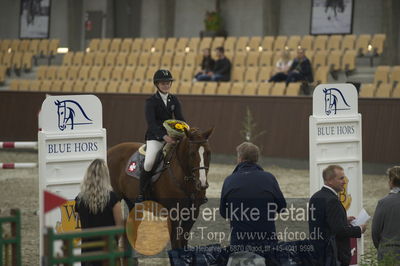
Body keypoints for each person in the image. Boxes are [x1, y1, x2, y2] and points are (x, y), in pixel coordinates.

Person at [220, 142, 286, 248]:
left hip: (239, 243)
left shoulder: (229, 180)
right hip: (267, 241)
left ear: (240, 158)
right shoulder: (269, 178)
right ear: (256, 159)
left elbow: (224, 213)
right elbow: (282, 208)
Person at [138, 69, 185, 202]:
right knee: (149, 163)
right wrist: (164, 137)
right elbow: (151, 124)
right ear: (157, 84)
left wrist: (185, 133)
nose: (166, 85)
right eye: (163, 83)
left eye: (168, 82)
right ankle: (141, 193)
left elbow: (181, 119)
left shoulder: (174, 100)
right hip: (156, 137)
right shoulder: (151, 102)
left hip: (173, 137)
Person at [308, 165, 367, 266]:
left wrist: (343, 219)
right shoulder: (332, 200)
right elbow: (339, 231)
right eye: (341, 178)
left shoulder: (315, 196)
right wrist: (359, 229)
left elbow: (322, 222)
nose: (344, 181)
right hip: (333, 257)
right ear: (330, 180)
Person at [75, 159, 123, 266]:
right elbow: (119, 227)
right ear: (105, 176)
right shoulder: (112, 198)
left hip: (88, 250)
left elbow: (79, 223)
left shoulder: (79, 199)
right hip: (108, 249)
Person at [372, 166, 400, 261]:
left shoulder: (383, 203)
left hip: (388, 252)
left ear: (391, 182)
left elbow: (375, 232)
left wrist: (381, 248)